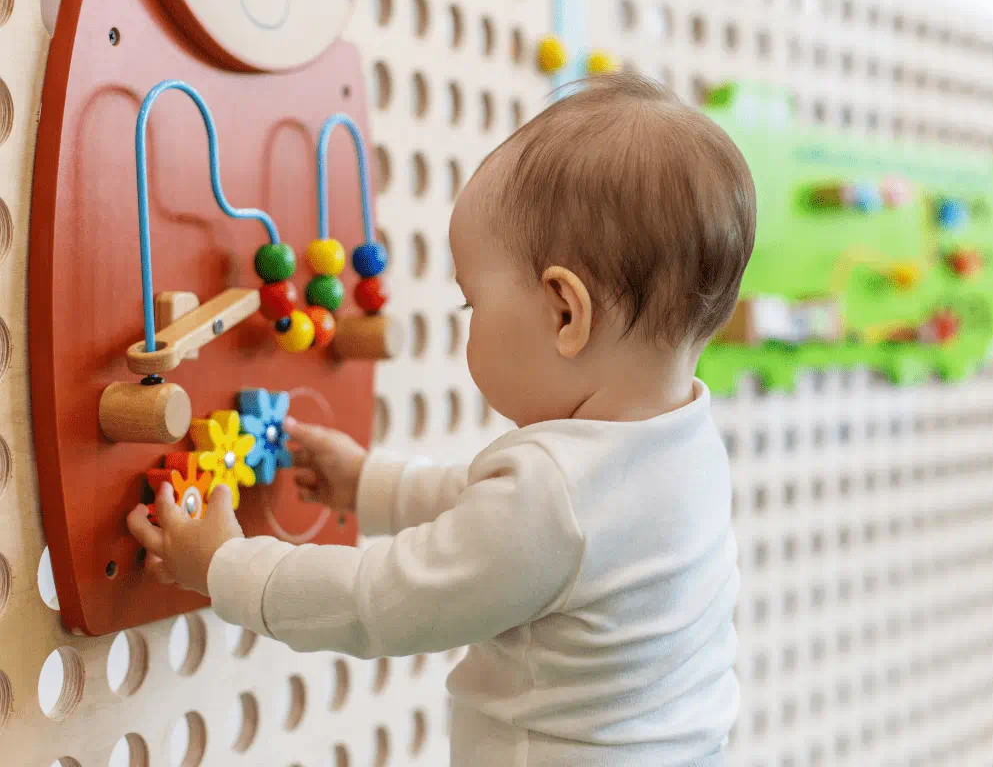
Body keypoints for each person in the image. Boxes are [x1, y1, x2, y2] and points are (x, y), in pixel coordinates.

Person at [128, 72, 757, 767]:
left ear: (565, 314)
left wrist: (224, 565)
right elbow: (490, 515)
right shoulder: (683, 446)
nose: (468, 323)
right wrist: (368, 483)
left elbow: (377, 602)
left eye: (471, 304)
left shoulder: (554, 496)